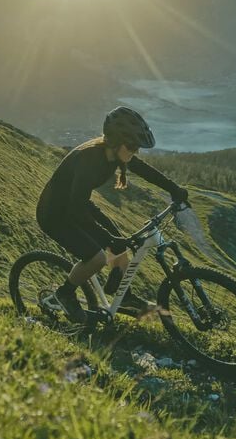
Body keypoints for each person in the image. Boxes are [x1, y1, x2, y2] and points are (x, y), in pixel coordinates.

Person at [36, 106, 188, 323]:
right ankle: (65, 294)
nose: (135, 151)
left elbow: (143, 170)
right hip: (55, 214)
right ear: (116, 142)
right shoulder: (89, 159)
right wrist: (107, 239)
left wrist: (174, 188)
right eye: (133, 146)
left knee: (119, 246)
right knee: (97, 258)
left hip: (77, 204)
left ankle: (123, 297)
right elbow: (75, 208)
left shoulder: (116, 153)